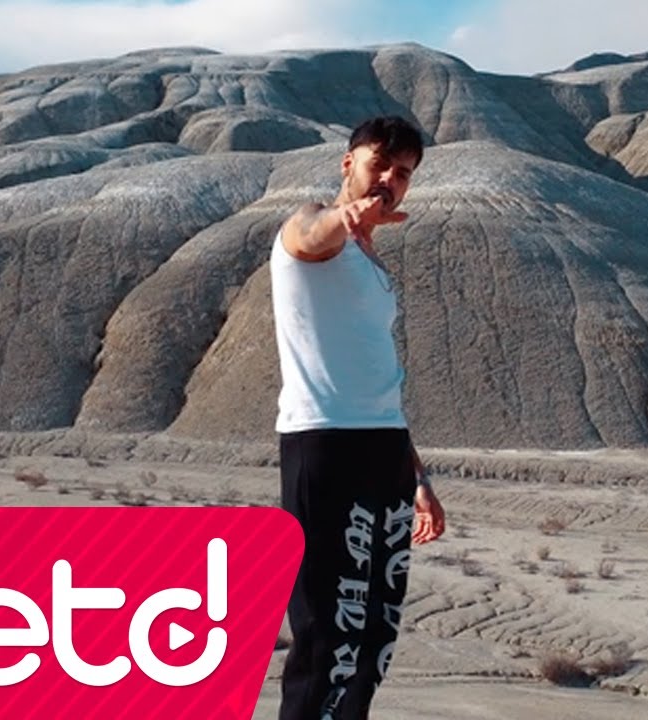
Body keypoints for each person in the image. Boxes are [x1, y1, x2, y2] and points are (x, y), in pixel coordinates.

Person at [272, 115, 447, 719]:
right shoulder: (310, 228)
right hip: (324, 444)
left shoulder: (371, 263)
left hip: (385, 450)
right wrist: (345, 218)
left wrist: (418, 477)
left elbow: (381, 384)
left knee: (373, 635)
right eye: (380, 165)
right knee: (326, 635)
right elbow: (308, 235)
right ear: (349, 163)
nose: (389, 181)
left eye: (403, 173)